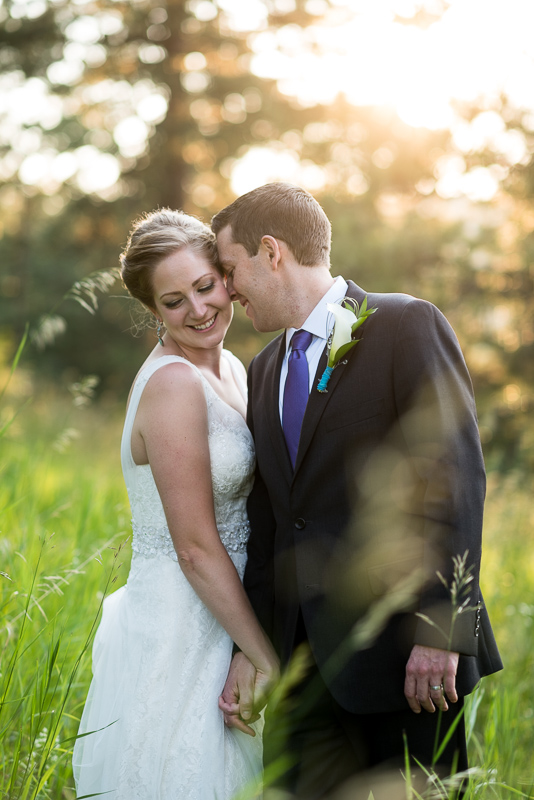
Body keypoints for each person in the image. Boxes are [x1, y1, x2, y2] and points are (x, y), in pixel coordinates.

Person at [212, 183, 503, 798]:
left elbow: (455, 480)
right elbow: (269, 527)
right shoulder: (262, 371)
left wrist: (441, 631)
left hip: (407, 663)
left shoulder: (405, 325)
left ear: (272, 252)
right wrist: (251, 649)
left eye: (231, 269)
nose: (228, 289)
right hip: (301, 672)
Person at [72, 208, 278, 799]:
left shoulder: (230, 368)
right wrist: (265, 656)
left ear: (226, 278)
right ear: (153, 310)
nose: (198, 309)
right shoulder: (172, 384)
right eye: (173, 301)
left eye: (205, 286)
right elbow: (193, 546)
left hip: (227, 610)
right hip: (184, 620)